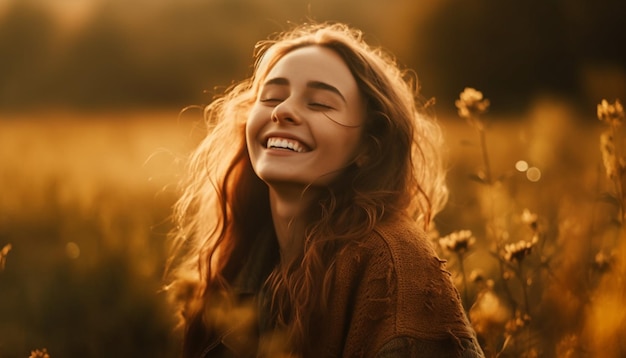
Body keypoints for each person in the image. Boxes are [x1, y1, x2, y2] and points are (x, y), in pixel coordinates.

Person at [165, 22, 485, 357]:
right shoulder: (241, 258)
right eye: (272, 96)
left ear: (369, 147)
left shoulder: (393, 266)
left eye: (319, 103)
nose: (283, 110)